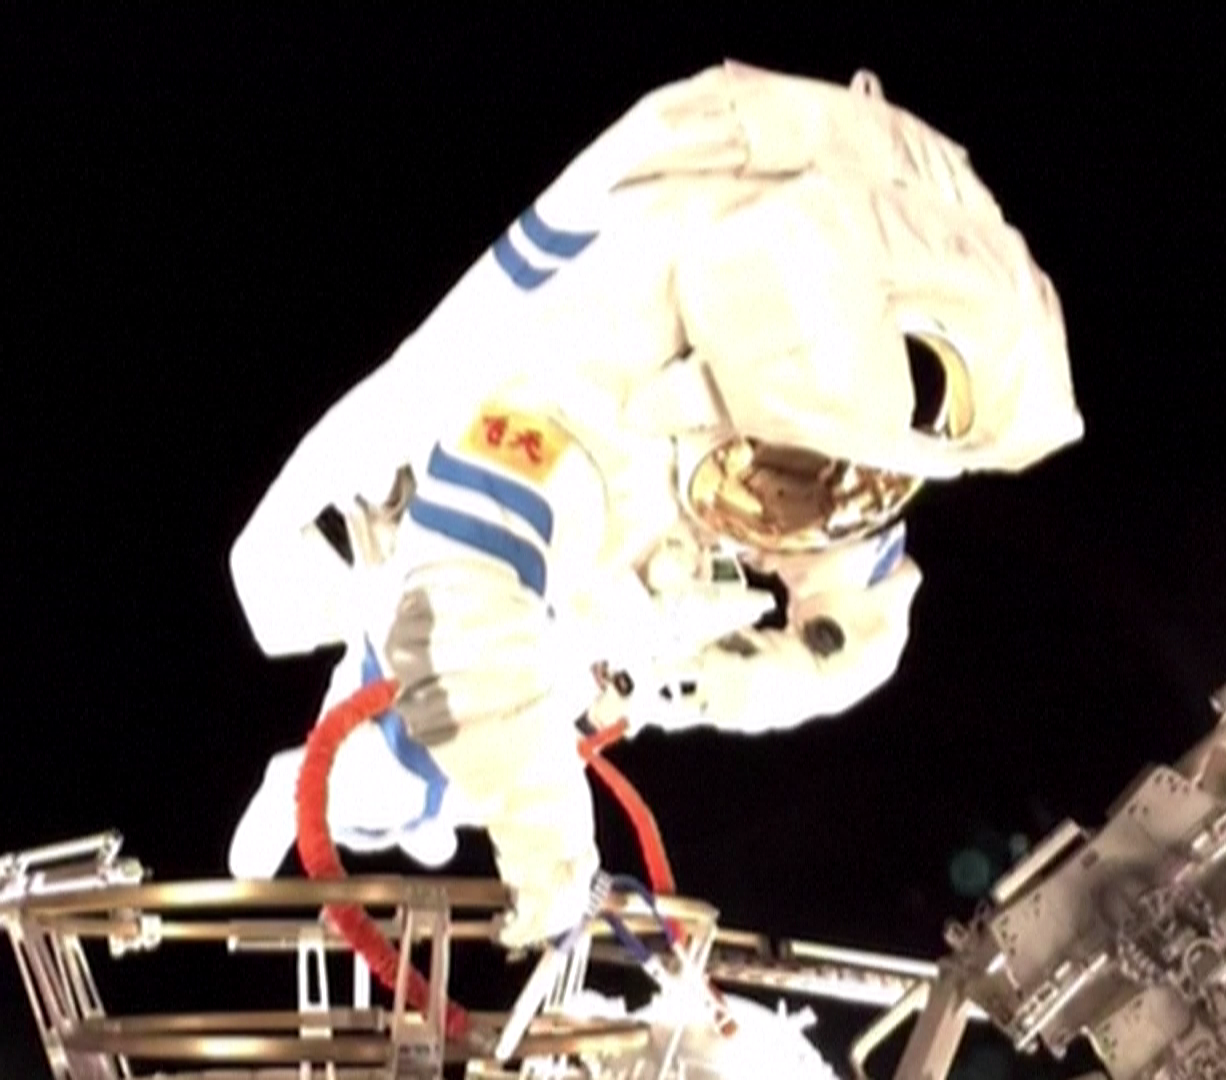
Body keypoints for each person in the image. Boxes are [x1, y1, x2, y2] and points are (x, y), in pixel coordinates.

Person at [224, 60, 1084, 948]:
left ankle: (443, 780)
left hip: (590, 607)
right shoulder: (569, 398)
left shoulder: (836, 429)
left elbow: (854, 635)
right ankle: (316, 787)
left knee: (499, 729)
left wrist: (703, 681)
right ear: (705, 390)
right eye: (787, 472)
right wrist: (549, 847)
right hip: (487, 578)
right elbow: (461, 614)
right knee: (405, 762)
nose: (801, 508)